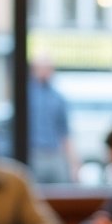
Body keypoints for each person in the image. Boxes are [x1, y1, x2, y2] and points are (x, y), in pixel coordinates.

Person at [28, 55, 77, 184]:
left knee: (62, 193)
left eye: (48, 68)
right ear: (34, 70)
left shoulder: (58, 98)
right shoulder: (26, 95)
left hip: (54, 154)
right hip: (34, 154)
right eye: (41, 68)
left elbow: (65, 133)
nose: (45, 71)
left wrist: (74, 164)